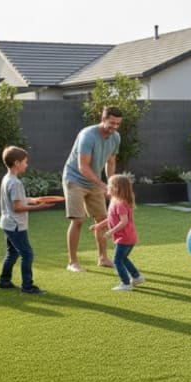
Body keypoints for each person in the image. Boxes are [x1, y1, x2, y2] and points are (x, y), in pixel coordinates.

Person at [62, 105, 123, 273]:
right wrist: (102, 185)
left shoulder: (115, 137)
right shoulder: (87, 136)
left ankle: (103, 258)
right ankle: (72, 262)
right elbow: (83, 167)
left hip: (93, 181)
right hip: (74, 179)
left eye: (118, 124)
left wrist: (110, 183)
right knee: (78, 220)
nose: (114, 127)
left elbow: (110, 162)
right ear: (103, 119)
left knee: (103, 219)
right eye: (112, 123)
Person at [0, 145, 54, 294]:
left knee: (12, 253)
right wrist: (39, 208)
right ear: (17, 163)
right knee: (27, 254)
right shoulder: (16, 183)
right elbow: (18, 207)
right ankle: (27, 286)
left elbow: (18, 201)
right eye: (25, 162)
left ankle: (4, 281)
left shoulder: (7, 178)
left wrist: (34, 200)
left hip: (7, 223)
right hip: (15, 225)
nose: (27, 165)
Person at [90, 174, 145, 291]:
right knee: (123, 258)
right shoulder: (115, 201)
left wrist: (111, 231)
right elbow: (111, 218)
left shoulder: (120, 203)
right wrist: (99, 226)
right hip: (128, 238)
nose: (107, 186)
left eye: (109, 185)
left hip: (124, 238)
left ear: (116, 188)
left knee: (117, 260)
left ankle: (125, 283)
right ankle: (137, 277)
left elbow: (124, 221)